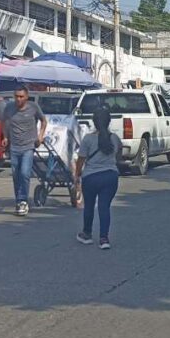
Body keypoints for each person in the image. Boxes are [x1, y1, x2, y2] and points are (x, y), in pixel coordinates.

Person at [75, 106, 122, 250]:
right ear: (109, 121)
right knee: (104, 207)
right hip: (110, 176)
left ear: (94, 122)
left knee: (89, 205)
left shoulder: (88, 139)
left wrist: (77, 175)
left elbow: (81, 160)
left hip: (91, 177)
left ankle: (87, 234)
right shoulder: (114, 138)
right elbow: (118, 155)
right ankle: (104, 238)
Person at [1, 86, 47, 217]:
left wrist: (40, 136)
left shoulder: (33, 107)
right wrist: (5, 137)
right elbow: (3, 122)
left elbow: (44, 121)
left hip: (28, 146)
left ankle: (23, 201)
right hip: (14, 147)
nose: (18, 99)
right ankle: (18, 200)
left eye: (21, 96)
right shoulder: (9, 108)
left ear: (26, 97)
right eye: (16, 96)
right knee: (16, 176)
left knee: (25, 173)